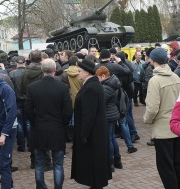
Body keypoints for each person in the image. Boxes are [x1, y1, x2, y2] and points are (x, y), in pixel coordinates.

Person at [25, 59, 73, 189]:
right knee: (58, 164)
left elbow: (28, 109)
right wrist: (63, 123)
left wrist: (35, 122)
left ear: (42, 70)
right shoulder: (63, 87)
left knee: (39, 163)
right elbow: (68, 111)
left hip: (39, 128)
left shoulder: (32, 87)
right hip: (56, 129)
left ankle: (41, 187)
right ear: (54, 70)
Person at [143, 48, 180, 189]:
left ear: (153, 60)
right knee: (177, 164)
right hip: (176, 126)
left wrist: (147, 120)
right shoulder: (175, 77)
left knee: (166, 168)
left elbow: (152, 108)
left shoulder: (155, 81)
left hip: (162, 130)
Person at [71, 59, 111, 188]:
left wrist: (84, 134)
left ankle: (95, 184)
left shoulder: (91, 87)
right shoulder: (92, 84)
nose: (77, 73)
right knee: (95, 161)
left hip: (93, 134)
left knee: (93, 161)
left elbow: (89, 114)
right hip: (95, 132)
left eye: (80, 71)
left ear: (87, 72)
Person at [96, 66, 125, 171]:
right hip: (113, 113)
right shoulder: (113, 82)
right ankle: (117, 160)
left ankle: (110, 162)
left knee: (109, 139)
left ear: (103, 76)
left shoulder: (107, 86)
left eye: (98, 77)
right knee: (112, 138)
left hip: (108, 115)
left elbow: (101, 102)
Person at [9, 56, 30, 153]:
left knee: (20, 124)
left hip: (17, 100)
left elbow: (11, 88)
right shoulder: (29, 73)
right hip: (28, 100)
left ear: (17, 63)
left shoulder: (12, 73)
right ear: (25, 63)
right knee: (28, 123)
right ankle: (30, 144)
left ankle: (21, 145)